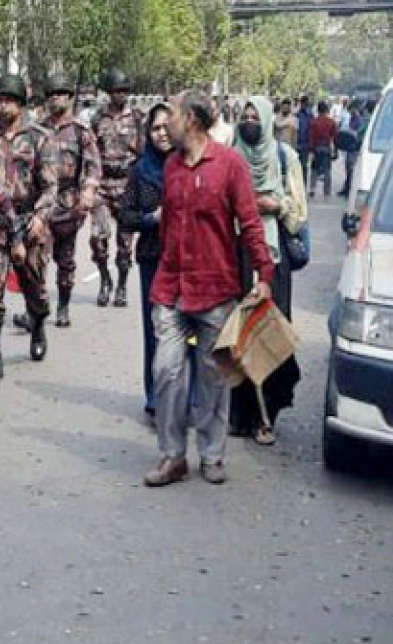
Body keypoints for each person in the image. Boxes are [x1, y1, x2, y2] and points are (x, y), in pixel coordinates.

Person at [144, 92, 274, 488]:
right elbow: (168, 226)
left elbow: (250, 223)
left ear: (193, 121)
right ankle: (172, 456)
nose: (166, 124)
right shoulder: (170, 166)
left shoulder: (229, 164)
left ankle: (212, 454)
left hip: (216, 288)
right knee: (166, 370)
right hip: (171, 286)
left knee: (213, 377)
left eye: (174, 116)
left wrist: (264, 274)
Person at [229, 96, 307, 447]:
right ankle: (240, 412)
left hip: (273, 257)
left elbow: (299, 211)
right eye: (243, 117)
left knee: (269, 330)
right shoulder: (230, 157)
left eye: (254, 116)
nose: (249, 122)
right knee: (236, 333)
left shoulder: (284, 157)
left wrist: (276, 205)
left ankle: (267, 416)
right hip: (235, 252)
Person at [0, 74, 59, 382]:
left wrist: (40, 218)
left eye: (9, 100)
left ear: (21, 104)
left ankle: (37, 323)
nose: (3, 105)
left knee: (35, 289)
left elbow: (51, 186)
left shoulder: (40, 137)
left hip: (29, 223)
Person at [32, 74, 100, 329]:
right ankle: (36, 310)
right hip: (42, 205)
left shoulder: (81, 132)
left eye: (61, 94)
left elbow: (93, 165)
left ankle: (63, 306)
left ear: (70, 99)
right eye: (52, 94)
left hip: (69, 204)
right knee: (36, 260)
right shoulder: (36, 130)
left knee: (66, 261)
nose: (56, 99)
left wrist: (89, 192)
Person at [119, 103, 173, 417]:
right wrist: (152, 218)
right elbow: (125, 215)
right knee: (155, 329)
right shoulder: (141, 170)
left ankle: (188, 396)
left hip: (187, 261)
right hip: (153, 257)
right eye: (155, 128)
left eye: (167, 127)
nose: (162, 134)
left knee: (189, 331)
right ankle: (154, 396)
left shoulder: (188, 164)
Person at [90, 68, 141, 309]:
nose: (121, 95)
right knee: (98, 238)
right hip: (102, 185)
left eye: (125, 91)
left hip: (127, 186)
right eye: (117, 91)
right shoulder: (97, 119)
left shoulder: (138, 119)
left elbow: (144, 153)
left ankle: (121, 285)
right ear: (109, 93)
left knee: (125, 243)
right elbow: (90, 152)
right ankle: (105, 280)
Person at [307, 100, 339, 198]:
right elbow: (335, 138)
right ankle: (327, 191)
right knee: (327, 170)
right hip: (327, 147)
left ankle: (312, 189)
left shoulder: (314, 122)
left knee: (314, 169)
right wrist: (335, 151)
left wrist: (311, 150)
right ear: (327, 110)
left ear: (318, 110)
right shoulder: (331, 122)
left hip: (316, 147)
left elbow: (311, 137)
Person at [338, 99, 369, 197]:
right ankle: (347, 188)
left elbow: (358, 133)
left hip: (355, 148)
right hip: (350, 147)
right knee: (348, 169)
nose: (350, 112)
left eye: (351, 110)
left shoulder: (360, 120)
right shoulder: (352, 118)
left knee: (351, 170)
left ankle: (349, 190)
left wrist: (351, 133)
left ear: (354, 109)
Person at [295, 95, 315, 184]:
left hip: (305, 145)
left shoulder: (310, 116)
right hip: (297, 144)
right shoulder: (296, 115)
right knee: (296, 166)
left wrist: (311, 145)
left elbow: (312, 130)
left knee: (303, 166)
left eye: (306, 104)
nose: (305, 106)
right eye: (304, 104)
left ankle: (303, 184)